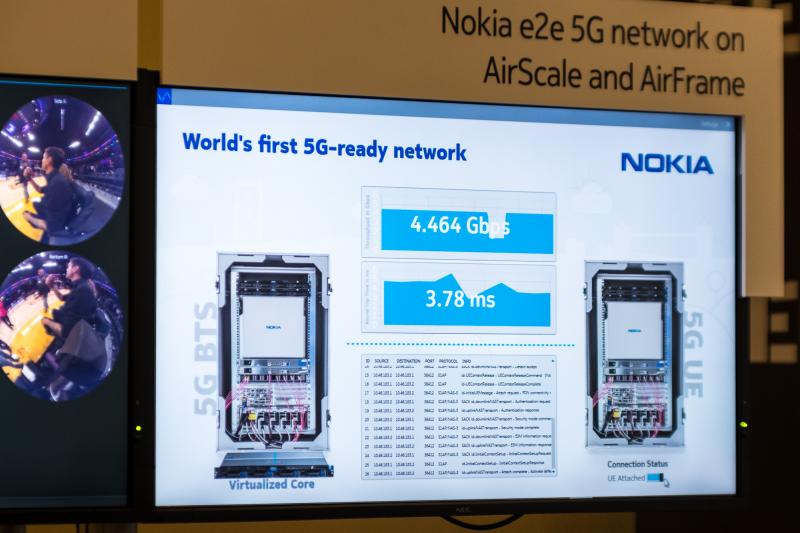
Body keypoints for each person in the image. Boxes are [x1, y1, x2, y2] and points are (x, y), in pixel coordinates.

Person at [22, 147, 75, 238]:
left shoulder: (56, 184)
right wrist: (30, 179)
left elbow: (51, 227)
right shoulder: (54, 178)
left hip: (56, 224)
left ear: (49, 160)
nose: (41, 160)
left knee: (28, 211)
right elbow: (40, 190)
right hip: (56, 211)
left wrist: (29, 217)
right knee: (36, 204)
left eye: (43, 157)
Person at [41, 257, 97, 339]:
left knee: (44, 319)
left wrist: (46, 322)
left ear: (75, 269)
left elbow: (66, 333)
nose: (66, 269)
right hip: (70, 323)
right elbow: (62, 297)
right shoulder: (81, 286)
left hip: (70, 333)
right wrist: (52, 285)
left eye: (68, 266)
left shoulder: (82, 290)